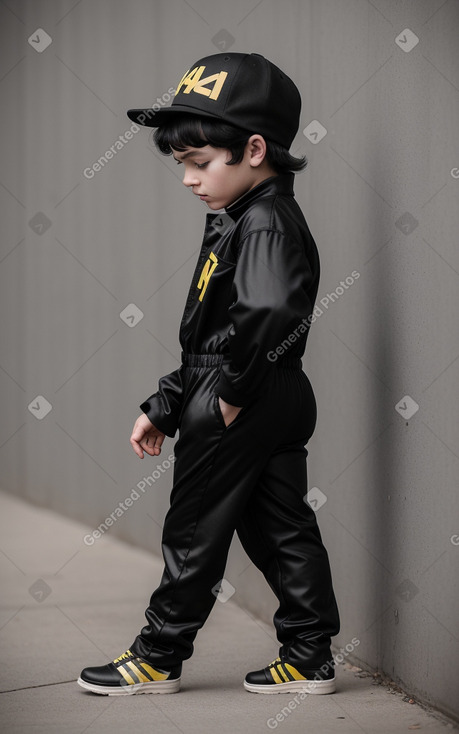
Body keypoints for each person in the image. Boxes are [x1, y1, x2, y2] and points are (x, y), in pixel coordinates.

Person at [78, 51, 340, 697]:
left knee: (193, 524)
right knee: (280, 528)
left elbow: (269, 311)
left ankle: (157, 656)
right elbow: (216, 333)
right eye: (181, 166)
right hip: (266, 391)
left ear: (253, 148)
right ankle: (308, 656)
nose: (189, 178)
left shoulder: (263, 223)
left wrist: (229, 396)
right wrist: (168, 401)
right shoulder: (249, 218)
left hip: (242, 392)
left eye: (199, 163)